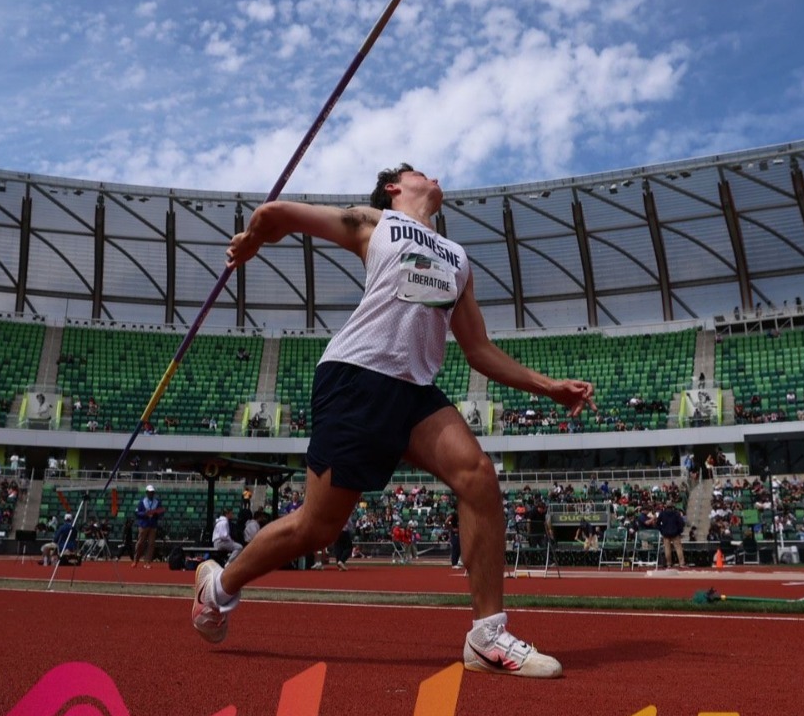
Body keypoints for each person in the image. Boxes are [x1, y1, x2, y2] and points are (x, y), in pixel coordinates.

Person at [193, 164, 593, 678]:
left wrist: (549, 387)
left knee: (477, 475)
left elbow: (478, 350)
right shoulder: (373, 222)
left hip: (414, 392)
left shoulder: (457, 258)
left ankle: (486, 637)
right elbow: (276, 213)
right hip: (357, 377)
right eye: (418, 171)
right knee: (317, 528)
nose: (432, 175)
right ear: (394, 188)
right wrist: (251, 240)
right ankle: (219, 586)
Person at [131, 485, 165, 565]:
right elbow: (137, 513)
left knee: (151, 544)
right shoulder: (142, 502)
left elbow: (161, 511)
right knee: (140, 543)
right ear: (147, 493)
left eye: (152, 492)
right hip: (143, 525)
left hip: (153, 525)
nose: (151, 494)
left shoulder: (157, 502)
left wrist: (156, 513)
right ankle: (136, 560)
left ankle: (148, 562)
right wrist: (145, 514)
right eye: (150, 492)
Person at [655, 500, 686, 569]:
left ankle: (669, 564)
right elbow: (681, 523)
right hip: (675, 533)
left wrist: (662, 531)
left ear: (666, 506)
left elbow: (657, 524)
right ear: (672, 506)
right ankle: (681, 563)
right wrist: (679, 531)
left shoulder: (662, 513)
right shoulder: (676, 513)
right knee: (679, 548)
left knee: (667, 549)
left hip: (666, 533)